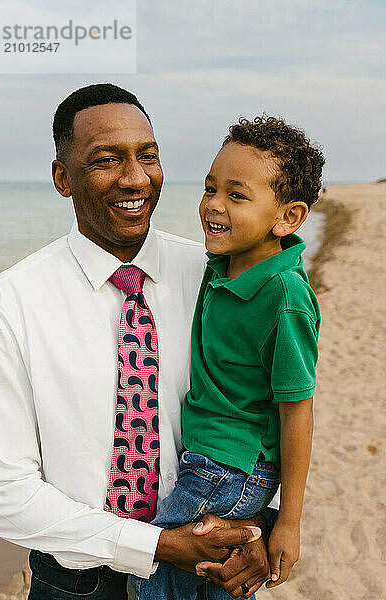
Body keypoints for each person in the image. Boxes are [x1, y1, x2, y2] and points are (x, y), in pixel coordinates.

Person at [0, 84, 276, 600]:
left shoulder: (215, 280)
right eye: (105, 160)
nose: (136, 177)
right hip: (76, 585)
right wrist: (156, 546)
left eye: (148, 156)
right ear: (62, 178)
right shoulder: (11, 302)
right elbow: (1, 491)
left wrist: (262, 528)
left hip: (205, 574)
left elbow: (272, 410)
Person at [128, 115, 324, 600]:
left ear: (289, 218)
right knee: (215, 580)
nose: (213, 205)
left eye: (237, 195)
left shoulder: (283, 295)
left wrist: (289, 521)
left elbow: (297, 409)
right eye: (210, 188)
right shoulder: (221, 265)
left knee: (151, 565)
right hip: (213, 460)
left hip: (231, 467)